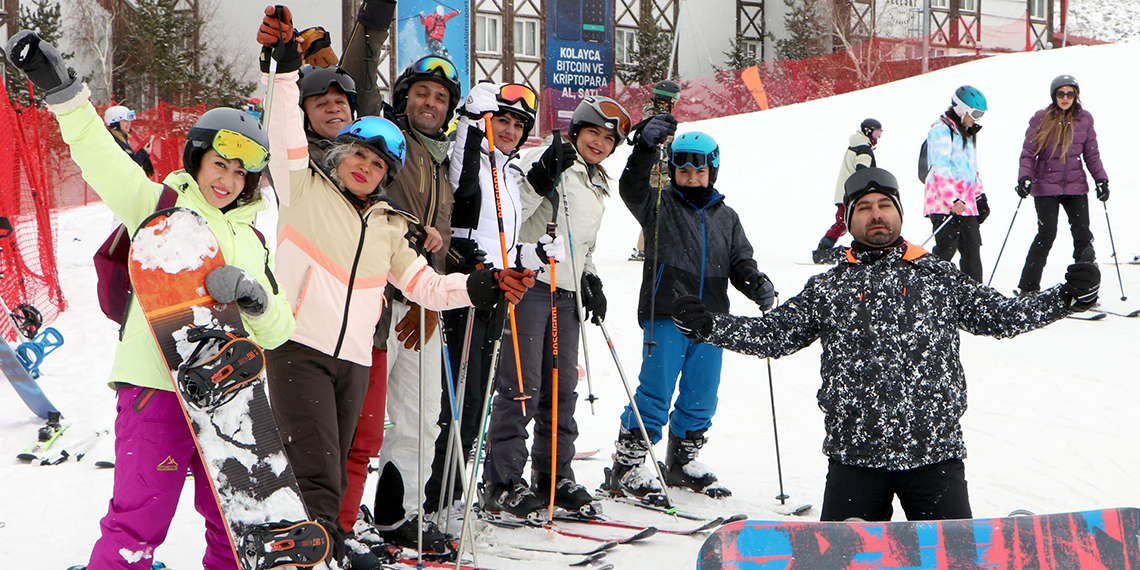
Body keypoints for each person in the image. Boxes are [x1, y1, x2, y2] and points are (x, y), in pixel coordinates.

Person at [6, 30, 297, 569]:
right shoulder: (158, 204)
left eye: (242, 172)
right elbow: (100, 156)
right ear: (198, 159)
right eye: (221, 164)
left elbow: (280, 330)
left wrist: (256, 300)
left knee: (235, 529)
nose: (229, 180)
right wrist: (64, 94)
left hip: (229, 401)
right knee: (137, 526)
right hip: (156, 387)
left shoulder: (254, 239)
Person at [670, 167, 1101, 522]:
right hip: (855, 460)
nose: (876, 215)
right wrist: (710, 326)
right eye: (864, 208)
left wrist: (1066, 297)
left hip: (934, 455)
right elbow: (775, 335)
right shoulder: (829, 287)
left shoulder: (937, 275)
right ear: (849, 220)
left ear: (899, 214)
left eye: (884, 206)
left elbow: (1000, 316)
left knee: (952, 562)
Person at [259, 27, 536, 562]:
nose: (366, 167)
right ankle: (320, 547)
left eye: (379, 164)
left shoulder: (389, 220)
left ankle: (337, 538)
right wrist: (286, 67)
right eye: (360, 156)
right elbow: (285, 128)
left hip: (354, 355)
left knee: (348, 452)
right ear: (341, 154)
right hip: (301, 344)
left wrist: (483, 284)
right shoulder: (302, 186)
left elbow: (427, 282)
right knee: (318, 463)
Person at [602, 115, 775, 501]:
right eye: (683, 169)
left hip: (712, 321)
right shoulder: (658, 205)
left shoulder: (727, 217)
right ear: (673, 170)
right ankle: (626, 466)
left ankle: (682, 461)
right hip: (667, 313)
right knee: (656, 391)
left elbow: (739, 261)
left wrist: (756, 283)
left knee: (702, 393)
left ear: (712, 171)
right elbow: (631, 187)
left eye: (700, 170)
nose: (692, 177)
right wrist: (645, 148)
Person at [424, 81, 566, 523]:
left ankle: (451, 498)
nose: (509, 130)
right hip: (464, 291)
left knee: (476, 405)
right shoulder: (470, 158)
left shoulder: (508, 173)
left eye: (518, 124)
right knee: (456, 404)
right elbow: (462, 189)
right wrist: (470, 122)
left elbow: (504, 246)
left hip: (495, 296)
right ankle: (434, 501)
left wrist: (534, 255)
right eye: (501, 120)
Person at [480, 95, 626, 520]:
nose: (599, 143)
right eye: (593, 132)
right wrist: (542, 177)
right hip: (531, 285)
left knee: (561, 391)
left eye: (608, 138)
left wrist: (590, 277)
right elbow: (512, 213)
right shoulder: (544, 159)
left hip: (567, 294)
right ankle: (502, 481)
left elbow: (583, 246)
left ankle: (553, 476)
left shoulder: (596, 182)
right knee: (521, 388)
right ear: (576, 131)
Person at [367, 54, 464, 554]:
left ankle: (398, 516)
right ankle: (333, 517)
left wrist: (437, 291)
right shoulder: (384, 141)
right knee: (358, 419)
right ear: (404, 97)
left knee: (421, 416)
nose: (430, 102)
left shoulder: (442, 160)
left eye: (441, 97)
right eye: (422, 92)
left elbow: (439, 240)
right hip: (376, 300)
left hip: (422, 304)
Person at [1016, 74, 1109, 294]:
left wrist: (1101, 179)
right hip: (1045, 187)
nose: (1065, 98)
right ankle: (1028, 288)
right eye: (1061, 93)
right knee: (1046, 233)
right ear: (1054, 95)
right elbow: (1028, 153)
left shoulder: (1085, 119)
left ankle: (1085, 288)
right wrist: (1025, 178)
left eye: (1069, 94)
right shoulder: (1041, 118)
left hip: (1076, 187)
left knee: (1083, 235)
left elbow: (1092, 154)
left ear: (1076, 96)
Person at [923, 85, 991, 282]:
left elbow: (971, 170)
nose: (977, 119)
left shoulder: (967, 133)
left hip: (966, 205)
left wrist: (979, 196)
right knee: (946, 251)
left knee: (972, 251)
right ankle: (934, 291)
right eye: (975, 113)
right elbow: (940, 168)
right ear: (961, 109)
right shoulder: (941, 130)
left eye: (981, 115)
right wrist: (952, 199)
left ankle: (975, 294)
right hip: (943, 204)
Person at [813, 118, 881, 264]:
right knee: (848, 222)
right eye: (876, 134)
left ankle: (826, 247)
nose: (878, 138)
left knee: (845, 222)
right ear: (867, 132)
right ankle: (825, 249)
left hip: (847, 192)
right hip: (852, 194)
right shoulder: (863, 150)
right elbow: (861, 170)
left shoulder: (855, 145)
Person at [630, 79, 680, 262]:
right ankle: (644, 248)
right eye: (675, 98)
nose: (676, 102)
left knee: (660, 208)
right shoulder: (656, 118)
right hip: (655, 172)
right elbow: (655, 146)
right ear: (667, 99)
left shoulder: (659, 115)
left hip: (661, 170)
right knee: (658, 208)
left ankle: (648, 246)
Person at [104, 104, 155, 177]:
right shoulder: (112, 141)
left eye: (129, 120)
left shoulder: (120, 138)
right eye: (125, 121)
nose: (129, 123)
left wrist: (144, 155)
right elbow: (129, 168)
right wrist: (143, 153)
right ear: (115, 122)